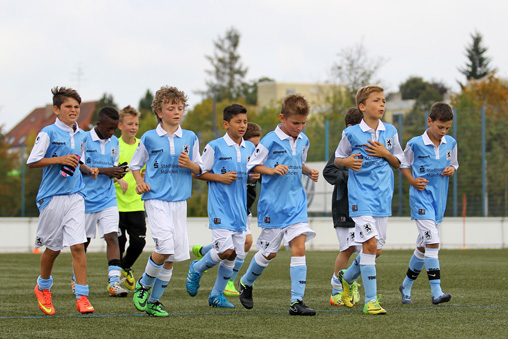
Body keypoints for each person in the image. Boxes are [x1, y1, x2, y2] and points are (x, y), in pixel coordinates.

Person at [238, 94, 319, 316]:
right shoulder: (269, 140)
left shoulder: (304, 140)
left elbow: (298, 162)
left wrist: (308, 170)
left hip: (296, 205)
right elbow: (252, 166)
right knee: (268, 254)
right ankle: (246, 282)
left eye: (303, 123)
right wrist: (271, 170)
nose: (299, 127)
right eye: (295, 123)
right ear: (282, 118)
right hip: (273, 206)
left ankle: (297, 302)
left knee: (299, 247)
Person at [130, 86, 202, 317]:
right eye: (170, 108)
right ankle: (143, 285)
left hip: (179, 202)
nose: (176, 112)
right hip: (156, 199)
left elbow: (200, 167)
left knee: (172, 258)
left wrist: (190, 165)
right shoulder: (150, 137)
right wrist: (140, 181)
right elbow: (134, 164)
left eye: (180, 108)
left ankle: (154, 301)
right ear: (159, 112)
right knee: (165, 248)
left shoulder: (190, 137)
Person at [334, 85, 404, 315]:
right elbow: (337, 159)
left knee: (376, 250)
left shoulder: (391, 130)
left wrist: (385, 154)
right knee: (370, 245)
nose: (382, 104)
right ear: (362, 107)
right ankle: (371, 301)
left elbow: (399, 162)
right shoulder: (351, 133)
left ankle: (347, 279)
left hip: (382, 198)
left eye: (384, 100)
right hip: (360, 198)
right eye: (377, 100)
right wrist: (347, 163)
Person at [28, 87, 98, 315]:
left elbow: (80, 161)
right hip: (51, 198)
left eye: (77, 107)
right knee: (53, 249)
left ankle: (82, 296)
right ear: (56, 109)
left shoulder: (83, 135)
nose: (73, 110)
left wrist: (88, 169)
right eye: (68, 106)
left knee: (78, 245)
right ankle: (43, 287)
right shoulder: (47, 132)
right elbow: (32, 161)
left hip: (76, 195)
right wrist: (59, 159)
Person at [186, 104, 256, 308]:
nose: (242, 125)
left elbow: (249, 175)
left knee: (235, 253)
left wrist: (253, 177)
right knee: (226, 251)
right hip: (219, 208)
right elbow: (198, 172)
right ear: (226, 124)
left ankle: (216, 295)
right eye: (238, 122)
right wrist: (220, 178)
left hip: (239, 209)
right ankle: (197, 268)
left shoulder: (250, 148)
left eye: (245, 121)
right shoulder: (215, 146)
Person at [398, 102, 458, 305]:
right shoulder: (415, 143)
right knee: (433, 241)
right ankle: (436, 292)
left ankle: (406, 285)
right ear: (429, 121)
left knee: (423, 247)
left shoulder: (451, 143)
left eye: (447, 128)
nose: (443, 131)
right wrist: (413, 181)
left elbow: (454, 164)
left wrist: (452, 170)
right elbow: (403, 165)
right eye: (440, 127)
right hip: (421, 199)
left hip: (438, 200)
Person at [81, 106, 129, 297]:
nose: (112, 133)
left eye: (114, 129)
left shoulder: (114, 142)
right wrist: (104, 171)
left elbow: (113, 166)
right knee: (83, 242)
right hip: (85, 199)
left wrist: (118, 173)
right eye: (108, 129)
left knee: (112, 237)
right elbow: (80, 166)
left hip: (107, 198)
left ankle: (114, 283)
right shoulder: (84, 139)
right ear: (98, 124)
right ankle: (78, 279)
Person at [323, 107, 363, 307]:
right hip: (344, 207)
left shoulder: (368, 146)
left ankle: (349, 282)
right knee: (348, 248)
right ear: (350, 127)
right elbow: (329, 172)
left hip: (365, 208)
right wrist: (350, 176)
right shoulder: (343, 149)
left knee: (368, 249)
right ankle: (336, 289)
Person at [114, 105, 147, 290]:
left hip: (136, 204)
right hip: (116, 205)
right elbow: (106, 172)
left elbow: (147, 169)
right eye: (130, 124)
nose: (134, 127)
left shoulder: (142, 145)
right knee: (118, 243)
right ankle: (114, 282)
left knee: (139, 242)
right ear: (120, 125)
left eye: (136, 124)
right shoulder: (114, 146)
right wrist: (118, 180)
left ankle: (125, 266)